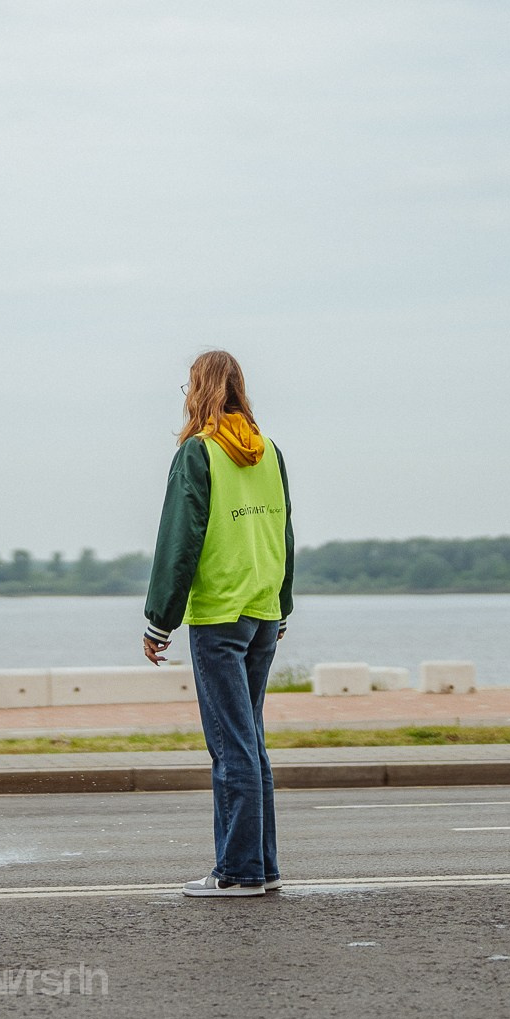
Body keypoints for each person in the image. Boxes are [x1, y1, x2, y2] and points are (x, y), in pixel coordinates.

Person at [143, 349, 295, 900]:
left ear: (198, 390)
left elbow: (179, 540)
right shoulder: (270, 450)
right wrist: (282, 603)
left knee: (231, 746)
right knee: (251, 741)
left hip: (220, 614)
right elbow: (285, 532)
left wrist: (159, 621)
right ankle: (263, 865)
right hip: (263, 611)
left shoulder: (197, 452)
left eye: (188, 386)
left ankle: (237, 872)